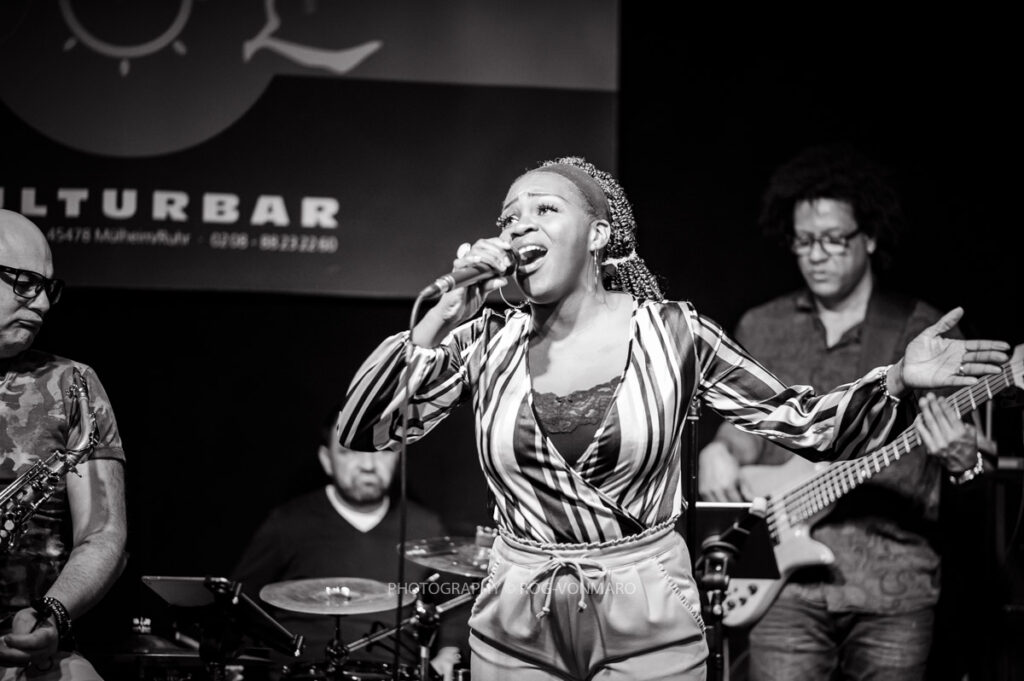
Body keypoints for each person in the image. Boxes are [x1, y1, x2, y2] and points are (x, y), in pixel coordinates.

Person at [334, 156, 1009, 681]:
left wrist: (895, 379)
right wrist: (439, 320)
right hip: (518, 610)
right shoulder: (486, 339)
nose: (519, 226)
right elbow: (367, 430)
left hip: (645, 608)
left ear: (598, 234)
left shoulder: (675, 333)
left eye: (544, 209)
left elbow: (805, 423)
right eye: (509, 217)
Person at [698, 145, 985, 681]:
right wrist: (720, 449)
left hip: (893, 586)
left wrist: (963, 460)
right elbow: (746, 430)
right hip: (783, 586)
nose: (816, 255)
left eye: (833, 239)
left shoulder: (920, 331)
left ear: (869, 237)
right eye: (804, 240)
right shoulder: (763, 325)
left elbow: (967, 453)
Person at [230, 409, 464, 678]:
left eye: (383, 449)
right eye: (351, 451)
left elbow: (456, 602)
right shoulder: (288, 524)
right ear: (326, 459)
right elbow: (240, 604)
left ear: (399, 456)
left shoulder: (425, 527)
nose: (368, 465)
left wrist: (449, 652)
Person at [0, 209, 128, 680]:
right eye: (24, 283)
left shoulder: (73, 383)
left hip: (31, 651)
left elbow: (103, 534)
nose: (42, 304)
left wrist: (51, 615)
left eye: (48, 288)